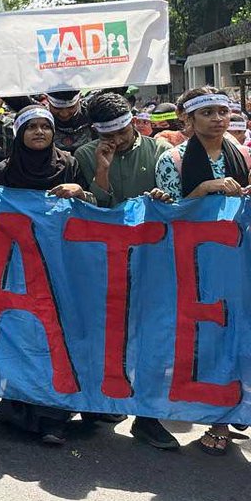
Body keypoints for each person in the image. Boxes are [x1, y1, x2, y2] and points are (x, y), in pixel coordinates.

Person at [71, 92, 177, 450]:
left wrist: (164, 198)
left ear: (133, 120)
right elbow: (92, 208)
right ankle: (97, 405)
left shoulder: (160, 150)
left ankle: (147, 418)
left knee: (152, 338)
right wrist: (101, 171)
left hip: (153, 259)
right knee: (102, 335)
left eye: (122, 130)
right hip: (104, 262)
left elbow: (176, 201)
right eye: (108, 135)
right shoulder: (85, 155)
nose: (117, 140)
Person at [0, 104, 95, 446]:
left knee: (57, 337)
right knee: (21, 334)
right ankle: (17, 411)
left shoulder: (70, 165)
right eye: (31, 127)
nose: (38, 133)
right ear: (19, 133)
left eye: (44, 127)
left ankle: (54, 418)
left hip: (62, 265)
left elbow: (92, 209)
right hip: (18, 266)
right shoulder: (4, 170)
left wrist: (81, 193)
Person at [154, 87, 249, 456]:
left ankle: (230, 411)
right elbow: (168, 215)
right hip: (193, 267)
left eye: (222, 112)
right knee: (205, 341)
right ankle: (217, 418)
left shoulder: (241, 154)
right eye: (207, 113)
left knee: (237, 338)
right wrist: (204, 190)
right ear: (188, 120)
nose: (218, 119)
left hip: (236, 262)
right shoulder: (173, 160)